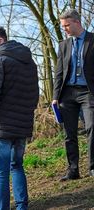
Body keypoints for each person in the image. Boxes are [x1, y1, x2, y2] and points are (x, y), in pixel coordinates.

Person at [0, 24, 39, 210]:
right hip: (21, 124)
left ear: (0, 40)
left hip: (0, 125)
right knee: (17, 166)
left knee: (1, 172)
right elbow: (34, 95)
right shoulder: (29, 61)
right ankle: (22, 207)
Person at [52, 9, 94, 181]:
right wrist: (55, 96)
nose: (65, 29)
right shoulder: (63, 45)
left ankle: (93, 167)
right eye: (63, 26)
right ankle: (73, 169)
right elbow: (59, 72)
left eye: (67, 25)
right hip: (67, 93)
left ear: (77, 22)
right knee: (69, 133)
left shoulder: (93, 40)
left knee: (92, 127)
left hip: (88, 92)